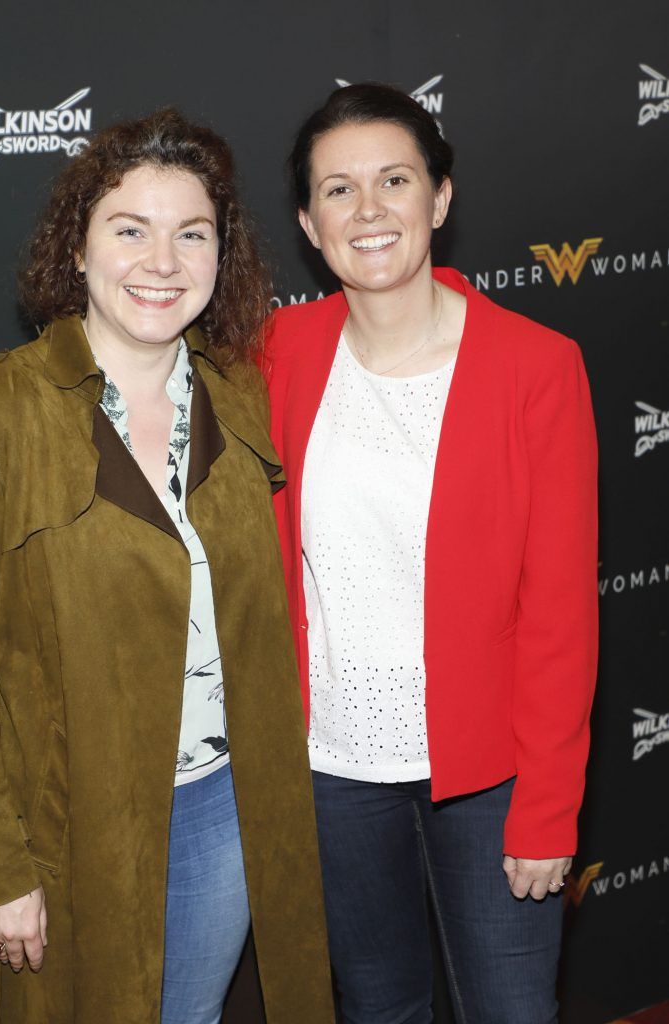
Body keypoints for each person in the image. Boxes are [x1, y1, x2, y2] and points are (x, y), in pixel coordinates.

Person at [0, 109, 334, 1024]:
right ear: (78, 248)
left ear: (222, 256)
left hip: (224, 808)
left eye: (193, 234)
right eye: (130, 229)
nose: (163, 262)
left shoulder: (240, 397)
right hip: (69, 830)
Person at [263, 83, 598, 1024]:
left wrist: (548, 808)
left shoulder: (536, 365)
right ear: (307, 220)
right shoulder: (276, 351)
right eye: (337, 190)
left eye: (394, 181)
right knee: (378, 1008)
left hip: (490, 778)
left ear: (439, 199)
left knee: (509, 1009)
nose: (367, 211)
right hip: (330, 771)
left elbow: (562, 610)